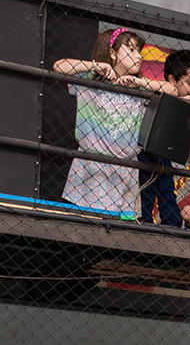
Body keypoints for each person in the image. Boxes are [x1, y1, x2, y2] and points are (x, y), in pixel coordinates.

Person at [52, 28, 165, 217]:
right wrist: (95, 66)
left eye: (139, 51)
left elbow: (173, 91)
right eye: (130, 50)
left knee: (122, 226)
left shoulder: (140, 87)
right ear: (112, 53)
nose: (138, 56)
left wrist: (142, 83)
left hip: (125, 171)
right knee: (82, 222)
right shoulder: (89, 78)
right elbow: (59, 66)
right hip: (91, 168)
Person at [138, 49, 190, 227]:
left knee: (167, 187)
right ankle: (145, 220)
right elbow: (170, 98)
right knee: (147, 187)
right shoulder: (161, 90)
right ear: (172, 79)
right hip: (144, 150)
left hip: (164, 152)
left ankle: (171, 222)